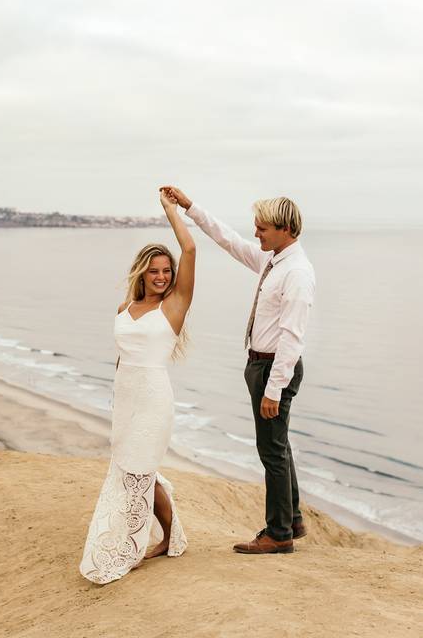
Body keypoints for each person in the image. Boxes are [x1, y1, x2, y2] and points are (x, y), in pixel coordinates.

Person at [161, 185, 315, 555]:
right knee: (279, 447)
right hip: (261, 365)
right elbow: (228, 240)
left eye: (262, 228)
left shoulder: (296, 272)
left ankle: (278, 533)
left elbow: (293, 338)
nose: (256, 234)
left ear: (285, 230)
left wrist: (273, 390)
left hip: (274, 367)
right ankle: (291, 518)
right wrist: (190, 207)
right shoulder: (272, 260)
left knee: (271, 451)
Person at [79, 189, 196, 584]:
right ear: (142, 273)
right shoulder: (123, 310)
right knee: (134, 468)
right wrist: (116, 398)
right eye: (154, 271)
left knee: (140, 472)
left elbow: (192, 249)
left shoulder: (174, 306)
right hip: (126, 397)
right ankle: (171, 534)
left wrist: (171, 211)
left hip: (154, 399)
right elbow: (121, 357)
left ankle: (137, 544)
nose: (162, 277)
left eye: (167, 270)